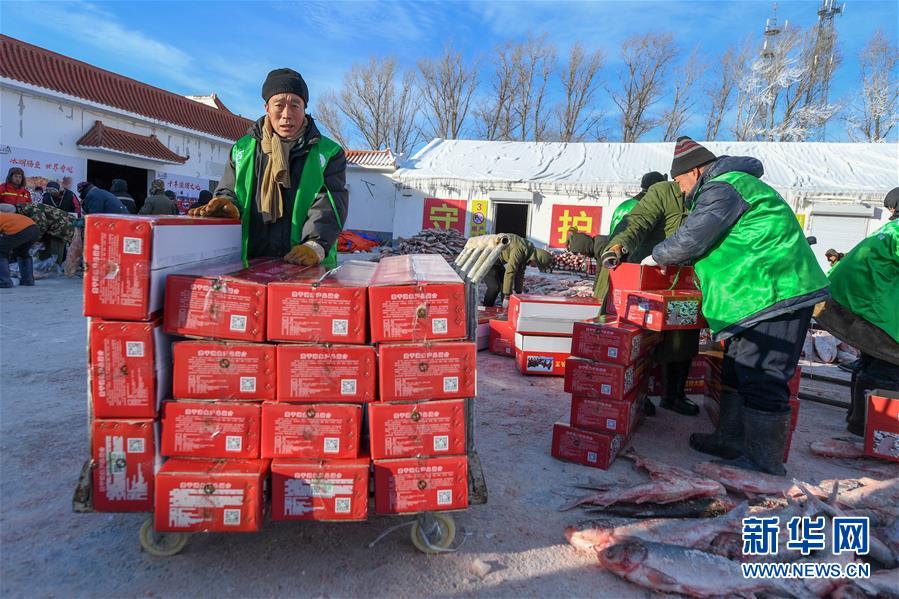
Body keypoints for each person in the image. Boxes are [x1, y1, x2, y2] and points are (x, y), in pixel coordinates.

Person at [649, 137, 829, 475]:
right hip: (753, 295)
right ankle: (730, 439)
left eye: (680, 181)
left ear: (694, 171)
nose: (681, 189)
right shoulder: (731, 185)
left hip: (774, 290)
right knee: (737, 368)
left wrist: (656, 255)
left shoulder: (723, 187)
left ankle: (764, 463)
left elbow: (691, 239)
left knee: (763, 374)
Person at [189, 68, 348, 267]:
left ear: (304, 108)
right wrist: (226, 204)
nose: (287, 115)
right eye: (279, 105)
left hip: (304, 264)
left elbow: (330, 203)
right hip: (249, 262)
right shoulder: (242, 149)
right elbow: (229, 190)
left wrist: (314, 245)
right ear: (267, 108)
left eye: (295, 105)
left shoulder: (328, 152)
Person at [601, 178, 700, 416]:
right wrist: (619, 246)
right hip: (646, 275)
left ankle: (673, 395)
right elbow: (638, 221)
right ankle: (637, 393)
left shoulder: (708, 195)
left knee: (683, 336)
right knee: (640, 339)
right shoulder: (663, 192)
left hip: (682, 280)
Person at [815, 216, 899, 436]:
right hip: (871, 306)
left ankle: (858, 421)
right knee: (889, 366)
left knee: (871, 360)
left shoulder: (892, 228)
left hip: (855, 299)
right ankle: (872, 431)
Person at [483, 233, 545, 308]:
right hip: (487, 258)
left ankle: (506, 309)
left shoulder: (526, 253)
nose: (534, 267)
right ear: (536, 259)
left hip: (497, 262)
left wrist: (518, 293)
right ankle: (486, 308)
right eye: (536, 265)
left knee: (504, 286)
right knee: (494, 287)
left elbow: (520, 274)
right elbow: (510, 271)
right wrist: (507, 296)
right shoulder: (520, 249)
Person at [566, 229, 610, 303]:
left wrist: (597, 292)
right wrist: (595, 289)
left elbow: (602, 271)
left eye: (582, 252)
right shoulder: (596, 245)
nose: (582, 254)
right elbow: (599, 270)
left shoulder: (600, 246)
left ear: (584, 247)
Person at [0, 205, 39, 287]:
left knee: (1, 252)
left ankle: (4, 281)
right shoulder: (4, 215)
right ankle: (28, 280)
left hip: (19, 229)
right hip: (33, 228)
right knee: (22, 252)